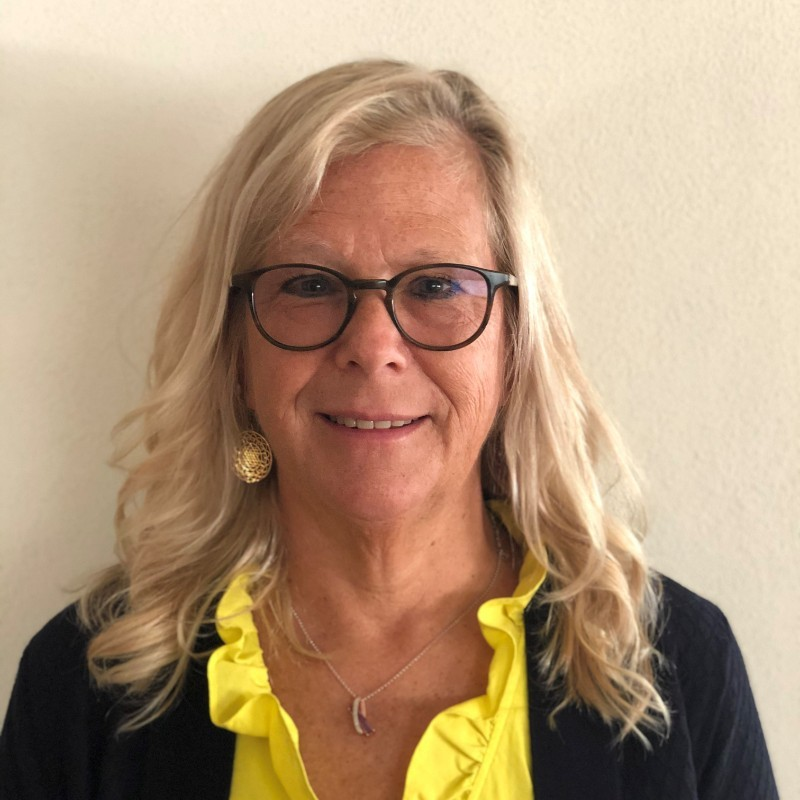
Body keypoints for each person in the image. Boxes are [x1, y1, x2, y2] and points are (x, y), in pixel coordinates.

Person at [0, 60, 778, 800]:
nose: (373, 346)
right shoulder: (86, 687)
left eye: (436, 285)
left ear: (515, 341)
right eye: (310, 284)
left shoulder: (674, 667)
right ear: (234, 350)